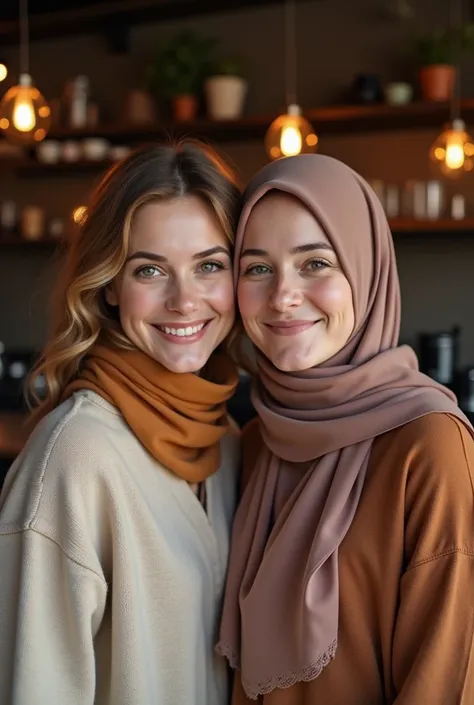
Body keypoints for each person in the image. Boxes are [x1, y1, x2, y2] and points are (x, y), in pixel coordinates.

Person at [217, 154, 474, 704]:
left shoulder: (428, 445)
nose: (283, 295)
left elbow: (443, 680)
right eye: (257, 268)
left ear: (366, 269)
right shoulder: (258, 440)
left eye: (315, 263)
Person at [0, 141, 242, 705]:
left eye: (210, 265)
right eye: (150, 269)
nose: (184, 301)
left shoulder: (228, 443)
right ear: (109, 285)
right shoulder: (75, 456)